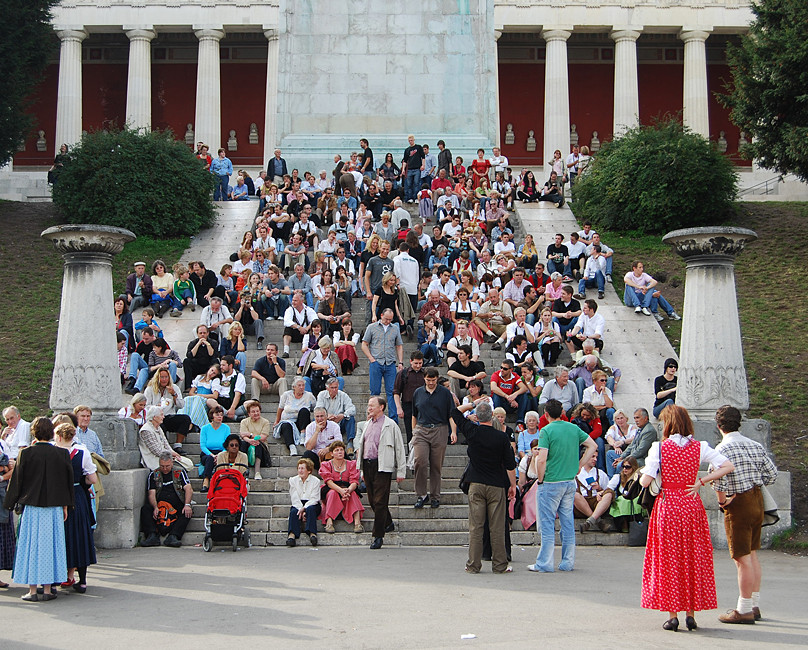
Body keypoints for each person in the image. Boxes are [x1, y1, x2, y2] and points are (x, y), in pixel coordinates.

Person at [639, 405, 735, 631]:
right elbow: (727, 465)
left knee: (669, 560)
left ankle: (673, 616)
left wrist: (648, 471)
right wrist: (702, 481)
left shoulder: (659, 448)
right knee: (692, 558)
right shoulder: (700, 447)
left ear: (668, 424)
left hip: (668, 506)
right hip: (691, 505)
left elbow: (645, 482)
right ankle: (691, 614)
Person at [711, 405, 779, 624]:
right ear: (739, 423)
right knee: (751, 553)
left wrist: (723, 502)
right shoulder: (755, 445)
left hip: (738, 502)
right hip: (757, 499)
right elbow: (772, 474)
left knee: (741, 558)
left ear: (718, 425)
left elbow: (718, 480)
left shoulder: (721, 449)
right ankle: (754, 604)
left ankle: (744, 609)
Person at [3, 417, 74, 602]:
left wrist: (9, 504)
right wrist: (66, 506)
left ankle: (33, 591)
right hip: (54, 507)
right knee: (51, 547)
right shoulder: (62, 454)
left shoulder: (25, 454)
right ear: (52, 432)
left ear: (33, 432)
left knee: (32, 547)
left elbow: (16, 481)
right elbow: (67, 483)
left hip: (33, 507)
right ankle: (48, 589)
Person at [527, 399, 597, 573]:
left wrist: (540, 478)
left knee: (548, 523)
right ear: (562, 412)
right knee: (567, 522)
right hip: (568, 481)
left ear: (546, 414)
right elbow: (592, 445)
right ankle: (567, 562)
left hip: (550, 482)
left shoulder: (546, 431)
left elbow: (542, 459)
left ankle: (544, 562)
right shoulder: (573, 428)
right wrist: (580, 465)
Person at [450, 401, 517, 574]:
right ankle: (500, 564)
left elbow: (455, 412)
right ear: (493, 417)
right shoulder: (502, 437)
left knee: (476, 526)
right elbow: (510, 465)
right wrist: (512, 485)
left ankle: (473, 564)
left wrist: (473, 403)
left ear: (477, 417)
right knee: (497, 526)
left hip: (476, 483)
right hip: (496, 484)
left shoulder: (472, 432)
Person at [355, 397, 407, 549]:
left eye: (372, 405)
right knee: (373, 500)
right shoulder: (367, 424)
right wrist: (362, 469)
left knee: (380, 501)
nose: (369, 408)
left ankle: (378, 536)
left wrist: (401, 470)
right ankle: (388, 522)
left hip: (383, 465)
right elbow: (364, 446)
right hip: (368, 464)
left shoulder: (390, 425)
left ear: (381, 407)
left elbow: (399, 448)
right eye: (368, 405)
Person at [53, 422, 97, 594]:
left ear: (58, 436)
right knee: (80, 535)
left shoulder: (54, 452)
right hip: (77, 494)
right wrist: (81, 484)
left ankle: (57, 577)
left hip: (57, 495)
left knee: (60, 536)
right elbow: (92, 478)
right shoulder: (82, 451)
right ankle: (83, 581)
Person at [411, 367, 457, 509]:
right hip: (422, 428)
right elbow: (414, 414)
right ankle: (421, 494)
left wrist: (453, 431)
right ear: (424, 379)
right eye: (428, 380)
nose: (431, 383)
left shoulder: (445, 393)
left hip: (440, 428)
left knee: (436, 465)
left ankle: (435, 495)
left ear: (437, 379)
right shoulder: (418, 392)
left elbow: (451, 414)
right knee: (420, 461)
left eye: (433, 380)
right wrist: (414, 431)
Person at [140, 451, 194, 548]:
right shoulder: (153, 474)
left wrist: (187, 504)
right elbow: (151, 493)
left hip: (176, 504)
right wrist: (155, 507)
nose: (165, 469)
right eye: (162, 466)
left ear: (172, 463)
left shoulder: (180, 472)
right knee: (146, 509)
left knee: (187, 512)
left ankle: (174, 536)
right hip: (159, 503)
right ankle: (152, 536)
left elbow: (188, 488)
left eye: (167, 466)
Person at [362, 308, 404, 420]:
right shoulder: (372, 327)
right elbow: (364, 344)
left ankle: (393, 419)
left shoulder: (395, 328)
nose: (388, 321)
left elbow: (399, 345)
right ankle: (372, 416)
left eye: (390, 319)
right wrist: (371, 359)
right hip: (376, 362)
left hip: (390, 363)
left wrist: (400, 361)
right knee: (375, 392)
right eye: (386, 319)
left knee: (392, 391)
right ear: (381, 315)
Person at [320, 440, 364, 534]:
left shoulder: (351, 464)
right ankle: (329, 522)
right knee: (332, 493)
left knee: (353, 493)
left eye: (341, 450)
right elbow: (329, 482)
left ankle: (357, 523)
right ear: (331, 453)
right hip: (332, 488)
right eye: (336, 450)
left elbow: (354, 481)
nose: (340, 452)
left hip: (347, 487)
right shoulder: (326, 464)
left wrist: (348, 490)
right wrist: (340, 491)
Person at [273, 377, 316, 457]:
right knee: (286, 425)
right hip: (288, 421)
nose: (301, 387)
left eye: (303, 385)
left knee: (304, 410)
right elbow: (280, 409)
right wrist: (277, 421)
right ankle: (291, 446)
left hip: (301, 423)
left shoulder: (309, 396)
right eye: (299, 385)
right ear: (294, 387)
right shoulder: (286, 395)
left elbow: (315, 408)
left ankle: (303, 436)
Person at [574, 451, 613, 533]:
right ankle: (598, 521)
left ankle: (590, 521)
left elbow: (608, 490)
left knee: (609, 494)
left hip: (597, 504)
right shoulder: (574, 473)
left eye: (596, 457)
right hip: (580, 507)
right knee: (574, 494)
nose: (595, 459)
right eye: (593, 456)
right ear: (585, 455)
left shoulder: (600, 473)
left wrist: (600, 490)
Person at [316, 377, 357, 453]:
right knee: (317, 419)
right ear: (327, 388)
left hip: (340, 422)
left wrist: (343, 415)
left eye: (336, 387)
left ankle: (350, 443)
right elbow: (318, 409)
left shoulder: (343, 395)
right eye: (332, 388)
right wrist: (327, 415)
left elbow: (352, 409)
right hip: (326, 423)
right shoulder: (321, 395)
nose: (334, 390)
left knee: (350, 418)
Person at [286, 458, 321, 547]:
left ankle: (312, 533)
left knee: (311, 509)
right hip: (298, 503)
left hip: (312, 503)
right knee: (294, 512)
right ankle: (292, 535)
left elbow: (315, 498)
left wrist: (304, 508)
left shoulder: (316, 481)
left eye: (302, 468)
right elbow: (294, 497)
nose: (300, 471)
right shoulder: (293, 480)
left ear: (309, 471)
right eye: (299, 468)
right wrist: (300, 509)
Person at [611, 408, 658, 472]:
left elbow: (640, 451)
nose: (636, 420)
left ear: (645, 418)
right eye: (634, 418)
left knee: (620, 465)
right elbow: (631, 445)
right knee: (610, 454)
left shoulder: (649, 431)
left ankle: (618, 480)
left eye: (638, 418)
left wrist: (624, 460)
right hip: (633, 456)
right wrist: (621, 457)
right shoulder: (640, 429)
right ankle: (612, 479)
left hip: (642, 459)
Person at [239, 400, 272, 481]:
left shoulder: (265, 422)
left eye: (257, 411)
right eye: (253, 412)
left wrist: (250, 435)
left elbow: (263, 437)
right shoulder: (244, 422)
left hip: (261, 445)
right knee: (243, 443)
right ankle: (242, 469)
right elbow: (243, 436)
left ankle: (257, 472)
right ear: (249, 414)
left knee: (258, 444)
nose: (256, 413)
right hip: (248, 442)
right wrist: (249, 440)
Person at [199, 405, 229, 490]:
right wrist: (212, 455)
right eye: (217, 414)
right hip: (207, 453)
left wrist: (219, 455)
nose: (220, 417)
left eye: (221, 414)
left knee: (221, 458)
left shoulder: (226, 428)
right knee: (209, 459)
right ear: (212, 416)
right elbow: (203, 446)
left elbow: (227, 445)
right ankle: (206, 480)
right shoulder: (205, 428)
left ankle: (220, 481)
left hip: (222, 452)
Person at [282, 292, 318, 358]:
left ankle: (312, 349)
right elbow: (287, 321)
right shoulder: (290, 310)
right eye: (292, 300)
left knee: (315, 328)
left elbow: (315, 320)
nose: (293, 302)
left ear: (302, 301)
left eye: (295, 300)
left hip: (306, 334)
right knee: (287, 329)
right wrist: (299, 327)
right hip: (295, 333)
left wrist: (307, 328)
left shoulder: (308, 310)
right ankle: (286, 351)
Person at [183, 324, 219, 390]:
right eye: (200, 333)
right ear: (197, 334)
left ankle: (215, 386)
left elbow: (213, 355)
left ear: (208, 333)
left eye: (204, 333)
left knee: (216, 361)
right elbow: (190, 355)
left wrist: (208, 344)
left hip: (208, 367)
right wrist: (198, 344)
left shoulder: (213, 342)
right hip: (196, 366)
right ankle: (188, 387)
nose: (202, 335)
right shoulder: (193, 343)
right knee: (186, 361)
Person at [604, 409, 638, 478]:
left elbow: (633, 439)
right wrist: (615, 445)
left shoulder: (632, 428)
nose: (620, 420)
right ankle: (611, 477)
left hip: (628, 453)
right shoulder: (614, 428)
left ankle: (617, 477)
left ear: (626, 418)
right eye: (618, 419)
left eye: (622, 418)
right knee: (609, 453)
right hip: (619, 452)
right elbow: (609, 437)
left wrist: (622, 442)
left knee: (618, 464)